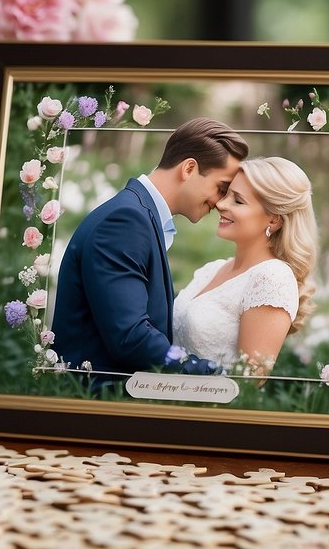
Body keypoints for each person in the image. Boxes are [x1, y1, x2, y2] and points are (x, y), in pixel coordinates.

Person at [51, 118, 248, 378]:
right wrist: (212, 376)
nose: (220, 203)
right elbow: (131, 337)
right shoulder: (126, 221)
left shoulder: (140, 215)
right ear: (189, 168)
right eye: (221, 188)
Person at [172, 156, 318, 376]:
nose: (220, 204)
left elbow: (249, 379)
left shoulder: (272, 278)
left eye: (238, 201)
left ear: (274, 220)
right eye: (226, 194)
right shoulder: (212, 269)